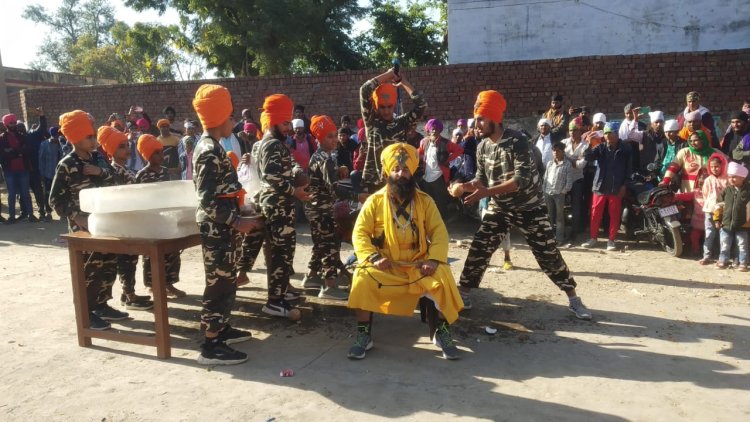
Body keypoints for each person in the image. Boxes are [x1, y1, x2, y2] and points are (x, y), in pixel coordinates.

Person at [452, 90, 592, 320]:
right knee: (480, 247)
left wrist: (485, 192)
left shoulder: (518, 141)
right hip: (500, 207)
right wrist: (465, 186)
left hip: (529, 207)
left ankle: (574, 299)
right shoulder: (482, 146)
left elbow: (520, 181)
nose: (476, 124)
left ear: (495, 118)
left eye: (481, 118)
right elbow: (481, 179)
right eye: (475, 118)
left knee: (548, 254)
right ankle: (464, 294)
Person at [347, 142, 463, 360]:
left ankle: (442, 332)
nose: (402, 174)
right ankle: (364, 334)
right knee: (361, 277)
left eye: (406, 169)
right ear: (387, 172)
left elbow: (439, 232)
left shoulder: (425, 201)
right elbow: (359, 233)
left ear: (413, 172)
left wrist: (434, 260)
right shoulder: (374, 201)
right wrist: (373, 257)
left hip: (418, 265)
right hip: (385, 265)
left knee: (443, 276)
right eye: (397, 169)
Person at [192, 84, 264, 365]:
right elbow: (207, 200)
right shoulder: (208, 150)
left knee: (227, 279)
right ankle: (210, 345)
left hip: (224, 227)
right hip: (217, 228)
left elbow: (223, 191)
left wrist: (242, 208)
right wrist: (237, 221)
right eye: (230, 116)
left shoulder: (214, 146)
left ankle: (222, 328)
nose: (233, 121)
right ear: (218, 117)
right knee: (218, 283)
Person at [49, 110, 127, 330]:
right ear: (75, 138)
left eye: (94, 136)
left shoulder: (98, 159)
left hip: (103, 223)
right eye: (89, 137)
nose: (94, 141)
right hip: (82, 229)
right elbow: (55, 200)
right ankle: (87, 312)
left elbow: (115, 181)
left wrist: (99, 172)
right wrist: (76, 216)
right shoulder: (66, 164)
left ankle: (102, 305)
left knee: (109, 263)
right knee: (90, 269)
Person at [257, 94, 312, 318]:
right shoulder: (270, 145)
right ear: (273, 122)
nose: (289, 127)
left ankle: (283, 291)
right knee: (279, 254)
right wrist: (295, 191)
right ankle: (274, 301)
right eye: (286, 123)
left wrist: (301, 175)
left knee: (286, 253)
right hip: (276, 206)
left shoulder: (278, 144)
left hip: (284, 206)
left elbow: (290, 167)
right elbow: (272, 178)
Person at [304, 115, 363, 300]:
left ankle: (311, 277)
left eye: (334, 135)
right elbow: (335, 188)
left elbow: (324, 177)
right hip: (321, 210)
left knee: (320, 244)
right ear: (318, 139)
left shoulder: (322, 156)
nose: (334, 140)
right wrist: (358, 196)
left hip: (315, 209)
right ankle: (329, 287)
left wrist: (339, 170)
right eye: (328, 137)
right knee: (330, 246)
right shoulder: (325, 159)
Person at [97, 125, 154, 310]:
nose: (126, 149)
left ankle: (128, 293)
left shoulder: (124, 169)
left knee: (131, 259)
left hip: (132, 221)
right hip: (124, 223)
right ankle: (128, 296)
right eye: (121, 146)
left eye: (126, 145)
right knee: (126, 260)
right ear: (112, 150)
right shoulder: (114, 172)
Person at [359, 67, 427, 191]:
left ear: (394, 105)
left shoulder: (403, 123)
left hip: (399, 180)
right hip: (375, 181)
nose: (386, 111)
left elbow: (421, 105)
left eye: (389, 107)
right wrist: (389, 74)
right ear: (376, 106)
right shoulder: (371, 122)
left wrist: (404, 82)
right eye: (382, 107)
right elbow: (364, 90)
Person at [136, 134, 186, 299]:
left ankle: (169, 283)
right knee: (150, 255)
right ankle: (152, 286)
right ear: (148, 155)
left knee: (171, 252)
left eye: (161, 151)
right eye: (157, 152)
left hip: (165, 217)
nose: (161, 155)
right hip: (150, 219)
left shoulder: (165, 172)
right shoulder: (142, 175)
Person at [582, 123, 632, 251]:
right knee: (595, 213)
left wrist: (624, 185)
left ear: (617, 133)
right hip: (599, 186)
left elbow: (629, 169)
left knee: (614, 215)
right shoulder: (601, 148)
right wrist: (589, 143)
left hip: (616, 187)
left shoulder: (625, 149)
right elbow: (588, 157)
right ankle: (593, 238)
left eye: (610, 133)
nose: (608, 136)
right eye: (606, 133)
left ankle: (611, 240)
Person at [418, 119, 463, 218]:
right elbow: (419, 153)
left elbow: (459, 150)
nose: (434, 131)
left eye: (436, 129)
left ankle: (443, 223)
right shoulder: (424, 142)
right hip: (426, 177)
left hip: (439, 177)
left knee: (440, 202)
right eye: (432, 129)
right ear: (428, 130)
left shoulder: (446, 143)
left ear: (440, 130)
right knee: (428, 201)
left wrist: (448, 159)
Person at [713, 162, 750, 270]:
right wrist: (717, 219)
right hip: (726, 224)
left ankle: (743, 262)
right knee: (724, 244)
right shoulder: (726, 191)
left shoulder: (748, 191)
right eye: (729, 177)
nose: (731, 179)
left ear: (742, 177)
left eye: (734, 177)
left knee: (742, 245)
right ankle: (723, 260)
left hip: (743, 224)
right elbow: (718, 206)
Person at [0, 113, 36, 223]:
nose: (14, 124)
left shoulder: (22, 136)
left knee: (25, 193)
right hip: (9, 170)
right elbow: (2, 155)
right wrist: (18, 152)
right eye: (11, 123)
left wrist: (12, 151)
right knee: (11, 194)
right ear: (6, 124)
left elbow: (28, 151)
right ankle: (11, 217)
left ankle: (31, 215)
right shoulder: (1, 138)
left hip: (23, 169)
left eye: (14, 122)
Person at [698, 153, 729, 265]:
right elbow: (705, 195)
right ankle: (707, 256)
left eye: (717, 166)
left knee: (724, 234)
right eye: (712, 167)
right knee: (709, 233)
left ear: (722, 166)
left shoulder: (727, 179)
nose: (714, 169)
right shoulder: (708, 180)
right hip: (709, 210)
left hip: (724, 211)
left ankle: (723, 257)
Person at [563, 117, 588, 243]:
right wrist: (574, 160)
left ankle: (574, 232)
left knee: (576, 206)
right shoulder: (564, 142)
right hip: (563, 179)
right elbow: (557, 158)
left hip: (577, 179)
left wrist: (568, 159)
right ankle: (561, 230)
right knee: (561, 205)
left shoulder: (585, 145)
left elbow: (581, 165)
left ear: (580, 131)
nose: (572, 132)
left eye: (575, 130)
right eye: (570, 130)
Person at [543, 142, 573, 243]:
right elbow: (545, 178)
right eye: (554, 151)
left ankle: (559, 238)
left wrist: (563, 191)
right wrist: (544, 191)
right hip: (548, 193)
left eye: (558, 151)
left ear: (563, 152)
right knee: (549, 216)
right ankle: (549, 237)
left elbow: (569, 181)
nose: (555, 153)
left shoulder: (567, 164)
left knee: (559, 217)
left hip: (559, 194)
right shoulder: (549, 163)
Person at [38, 126, 64, 221]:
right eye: (55, 136)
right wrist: (42, 174)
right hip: (48, 174)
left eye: (58, 135)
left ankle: (62, 213)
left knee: (61, 193)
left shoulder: (62, 143)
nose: (57, 137)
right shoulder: (44, 144)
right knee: (48, 194)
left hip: (61, 174)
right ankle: (48, 213)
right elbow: (41, 160)